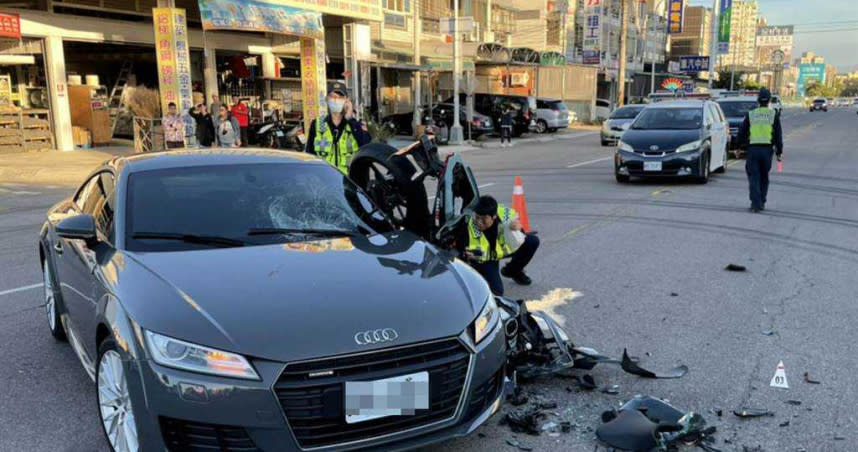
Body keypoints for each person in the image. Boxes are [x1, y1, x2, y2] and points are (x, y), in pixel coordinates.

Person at [456, 195, 540, 296]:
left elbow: (519, 236)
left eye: (484, 219)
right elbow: (470, 255)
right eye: (477, 217)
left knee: (532, 241)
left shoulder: (505, 216)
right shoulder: (469, 227)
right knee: (497, 292)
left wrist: (517, 228)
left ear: (494, 216)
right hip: (486, 259)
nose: (479, 222)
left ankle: (512, 271)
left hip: (502, 249)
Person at [305, 82, 371, 174]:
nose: (336, 100)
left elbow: (366, 149)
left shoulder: (356, 126)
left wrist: (350, 118)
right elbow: (309, 156)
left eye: (340, 97)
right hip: (324, 181)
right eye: (332, 96)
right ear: (327, 99)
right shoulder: (317, 125)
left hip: (349, 182)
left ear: (347, 101)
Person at [738, 88, 783, 213]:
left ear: (758, 100)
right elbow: (778, 135)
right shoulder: (773, 114)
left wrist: (739, 147)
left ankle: (755, 203)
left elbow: (742, 131)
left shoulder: (751, 114)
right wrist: (779, 152)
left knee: (754, 177)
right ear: (769, 100)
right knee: (764, 177)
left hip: (753, 150)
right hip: (767, 150)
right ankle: (761, 201)